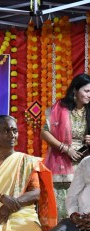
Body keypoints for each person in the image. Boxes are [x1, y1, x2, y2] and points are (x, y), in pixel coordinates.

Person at [41, 73, 90, 219]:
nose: (89, 95)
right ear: (75, 90)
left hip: (84, 162)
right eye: (87, 91)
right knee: (60, 208)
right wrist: (66, 149)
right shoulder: (61, 108)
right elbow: (44, 133)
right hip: (61, 160)